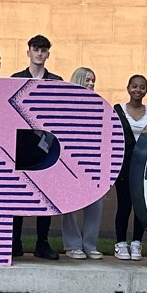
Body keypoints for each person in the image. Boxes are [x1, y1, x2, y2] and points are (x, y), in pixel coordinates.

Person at [10, 36, 63, 258]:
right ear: (29, 52)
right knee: (18, 193)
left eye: (44, 50)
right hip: (20, 145)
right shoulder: (16, 79)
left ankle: (42, 242)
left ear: (48, 54)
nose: (39, 53)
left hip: (47, 145)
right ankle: (15, 242)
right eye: (36, 49)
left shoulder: (56, 81)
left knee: (45, 195)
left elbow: (61, 113)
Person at [58, 68, 107, 259]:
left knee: (96, 204)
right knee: (70, 205)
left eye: (93, 81)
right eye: (87, 80)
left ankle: (89, 244)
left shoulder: (99, 106)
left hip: (93, 162)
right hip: (70, 162)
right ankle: (72, 245)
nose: (91, 84)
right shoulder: (66, 106)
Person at [113, 74, 147, 261]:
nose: (138, 90)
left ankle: (137, 242)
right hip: (123, 165)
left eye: (142, 87)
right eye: (134, 86)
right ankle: (120, 243)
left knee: (140, 205)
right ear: (128, 88)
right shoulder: (118, 110)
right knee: (124, 205)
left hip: (143, 166)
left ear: (146, 90)